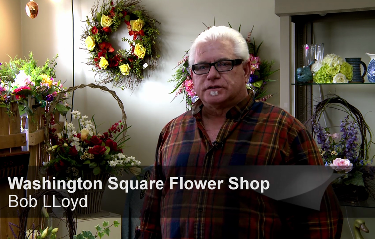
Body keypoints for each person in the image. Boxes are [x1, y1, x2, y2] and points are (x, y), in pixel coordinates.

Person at [139, 26, 343, 239]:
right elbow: (151, 216)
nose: (212, 75)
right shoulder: (172, 133)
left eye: (224, 64)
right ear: (192, 75)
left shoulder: (285, 130)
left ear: (246, 70)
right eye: (201, 67)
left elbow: (321, 221)